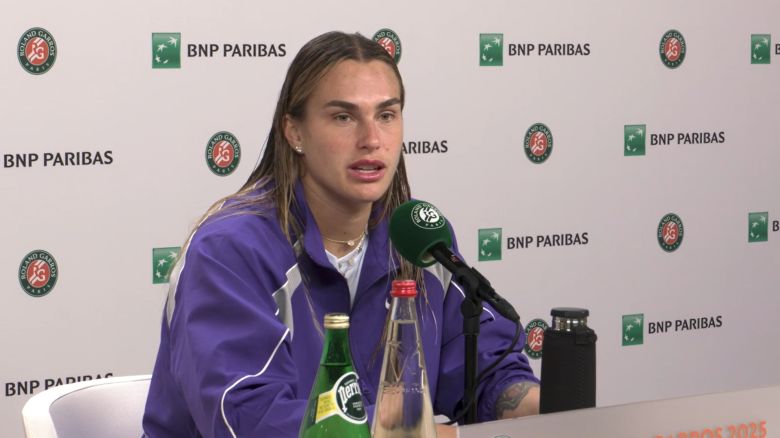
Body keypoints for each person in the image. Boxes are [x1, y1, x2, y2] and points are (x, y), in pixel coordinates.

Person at [142, 31, 539, 438]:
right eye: (343, 117)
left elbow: (488, 371)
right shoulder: (229, 250)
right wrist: (413, 433)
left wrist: (538, 406)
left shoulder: (418, 239)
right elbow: (248, 419)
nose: (372, 140)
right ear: (294, 132)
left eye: (386, 115)